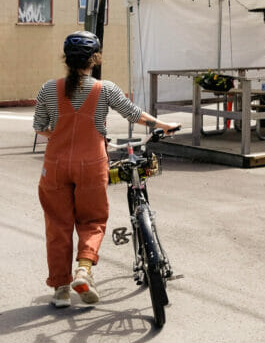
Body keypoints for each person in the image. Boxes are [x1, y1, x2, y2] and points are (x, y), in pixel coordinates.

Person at [33, 30, 180, 308]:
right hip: (92, 164)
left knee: (58, 226)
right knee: (92, 220)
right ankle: (83, 270)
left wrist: (61, 136)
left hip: (55, 167)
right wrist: (164, 125)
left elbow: (40, 127)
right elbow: (134, 114)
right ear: (95, 59)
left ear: (66, 58)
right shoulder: (106, 89)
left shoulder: (48, 89)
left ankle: (61, 290)